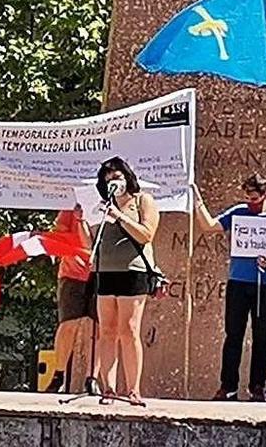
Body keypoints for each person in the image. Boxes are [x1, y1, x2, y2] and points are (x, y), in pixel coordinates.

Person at [192, 173, 266, 402]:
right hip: (238, 282)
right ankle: (228, 386)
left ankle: (257, 386)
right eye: (246, 198)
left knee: (262, 337)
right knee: (233, 334)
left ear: (265, 195)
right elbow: (210, 226)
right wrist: (197, 201)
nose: (249, 203)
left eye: (254, 198)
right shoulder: (238, 213)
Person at [88, 157, 159, 406]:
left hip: (133, 271)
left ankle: (133, 389)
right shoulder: (102, 206)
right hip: (105, 271)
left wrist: (118, 215)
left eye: (116, 177)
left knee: (129, 330)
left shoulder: (142, 201)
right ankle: (108, 388)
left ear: (127, 178)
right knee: (106, 330)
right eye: (107, 179)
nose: (112, 183)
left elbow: (146, 234)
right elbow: (93, 242)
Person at [45, 206, 99, 394]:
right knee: (69, 324)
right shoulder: (73, 206)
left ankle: (93, 378)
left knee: (100, 328)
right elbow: (58, 234)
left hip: (103, 272)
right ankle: (58, 374)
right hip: (72, 272)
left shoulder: (116, 206)